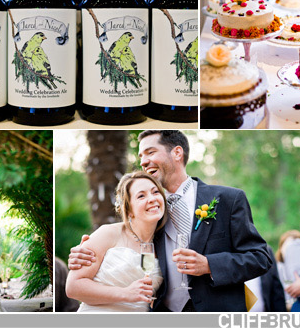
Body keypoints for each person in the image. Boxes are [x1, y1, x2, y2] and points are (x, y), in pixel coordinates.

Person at [68, 130, 272, 314]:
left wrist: (209, 265)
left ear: (177, 153)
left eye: (150, 152)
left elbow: (260, 258)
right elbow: (132, 250)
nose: (143, 161)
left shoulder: (228, 199)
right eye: (141, 156)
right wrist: (84, 251)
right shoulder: (150, 215)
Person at [66, 171, 166, 312]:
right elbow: (73, 287)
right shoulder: (108, 233)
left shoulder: (165, 242)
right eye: (141, 196)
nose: (152, 199)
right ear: (128, 209)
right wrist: (125, 293)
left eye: (155, 192)